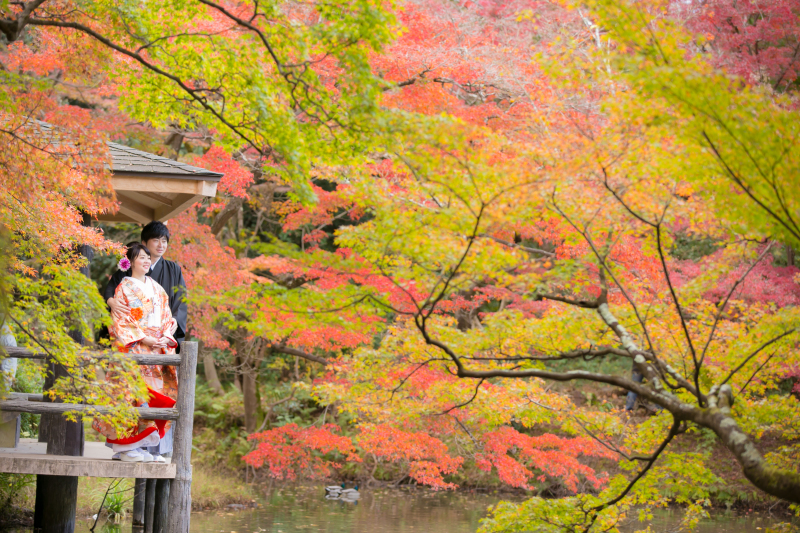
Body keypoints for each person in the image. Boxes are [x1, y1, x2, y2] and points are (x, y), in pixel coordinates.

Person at [92, 243, 179, 463]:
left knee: (153, 398)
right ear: (129, 262)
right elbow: (120, 321)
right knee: (131, 397)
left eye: (148, 258)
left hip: (156, 349)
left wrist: (166, 335)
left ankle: (139, 446)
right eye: (141, 258)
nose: (147, 261)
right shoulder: (123, 289)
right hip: (135, 347)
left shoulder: (157, 288)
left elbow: (167, 316)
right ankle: (125, 448)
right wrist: (143, 337)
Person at [104, 221, 187, 351]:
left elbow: (180, 300)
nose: (161, 245)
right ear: (144, 242)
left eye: (164, 241)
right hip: (137, 339)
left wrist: (175, 320)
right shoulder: (128, 269)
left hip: (161, 336)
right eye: (156, 240)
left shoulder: (173, 269)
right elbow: (111, 289)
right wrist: (111, 301)